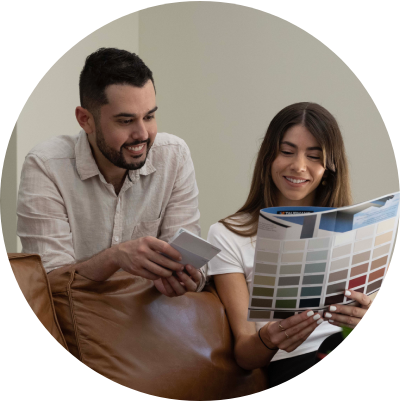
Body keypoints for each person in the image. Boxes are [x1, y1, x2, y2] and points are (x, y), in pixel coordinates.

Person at [206, 102, 374, 388]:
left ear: (329, 167)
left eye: (314, 156)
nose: (298, 166)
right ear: (268, 156)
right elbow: (245, 354)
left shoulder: (356, 229)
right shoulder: (227, 235)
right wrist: (270, 337)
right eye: (287, 151)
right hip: (294, 362)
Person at [17, 47, 205, 296]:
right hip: (75, 321)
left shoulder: (174, 155)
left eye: (149, 117)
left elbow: (185, 256)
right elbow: (49, 283)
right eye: (126, 121)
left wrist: (193, 278)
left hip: (150, 318)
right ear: (85, 120)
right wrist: (115, 258)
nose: (142, 134)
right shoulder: (46, 165)